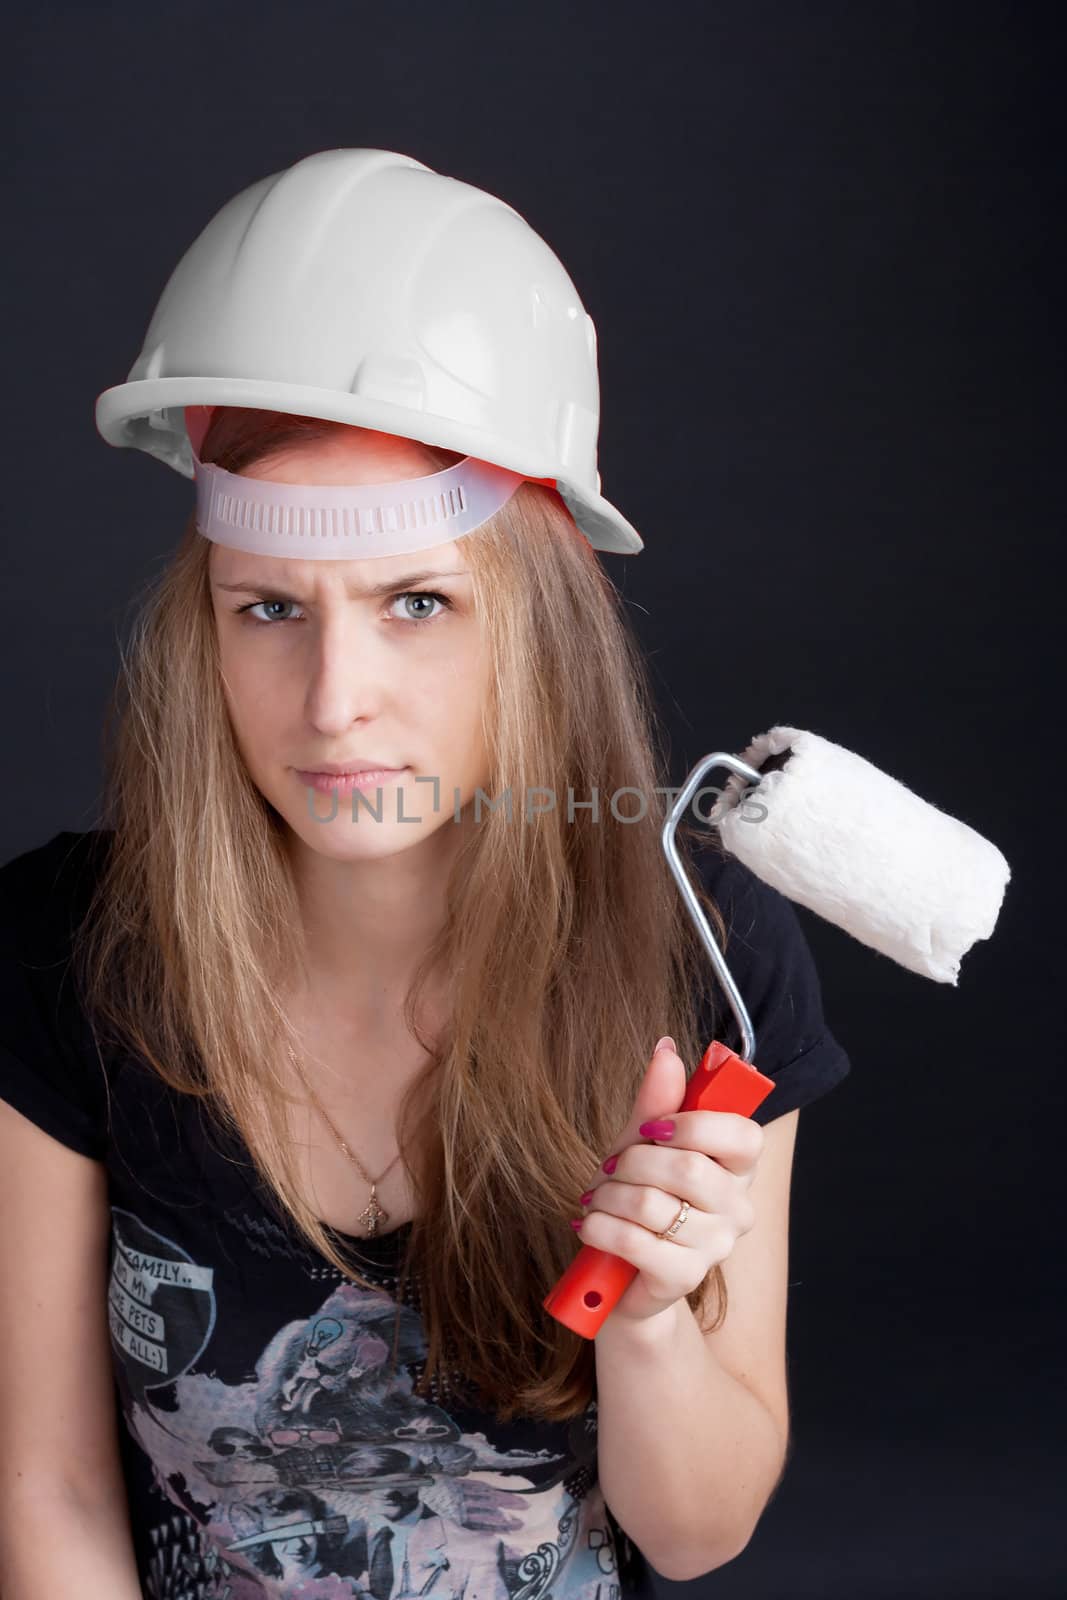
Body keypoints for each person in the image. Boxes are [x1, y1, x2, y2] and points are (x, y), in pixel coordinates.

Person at [0, 150, 851, 1599]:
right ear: (204, 629)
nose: (336, 700)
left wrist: (649, 1321)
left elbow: (695, 1534)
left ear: (538, 626)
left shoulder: (705, 965)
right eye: (269, 607)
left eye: (417, 603)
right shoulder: (61, 948)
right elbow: (54, 1488)